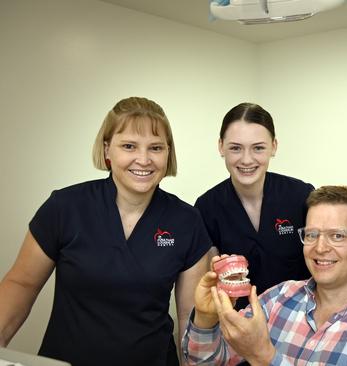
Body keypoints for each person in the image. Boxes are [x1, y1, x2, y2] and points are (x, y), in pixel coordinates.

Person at [0, 97, 212, 366]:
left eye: (156, 148)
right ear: (107, 149)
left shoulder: (186, 220)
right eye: (129, 146)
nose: (144, 159)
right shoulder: (65, 208)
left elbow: (189, 319)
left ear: (168, 153)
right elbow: (21, 284)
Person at [183, 186, 347, 365]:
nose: (320, 247)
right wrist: (205, 319)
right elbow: (206, 361)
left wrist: (263, 355)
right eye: (312, 234)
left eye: (337, 236)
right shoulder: (279, 298)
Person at [194, 102, 313, 309]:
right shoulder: (207, 207)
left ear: (273, 146)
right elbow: (212, 278)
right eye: (235, 148)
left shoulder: (300, 196)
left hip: (299, 323)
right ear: (221, 146)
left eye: (258, 148)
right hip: (239, 323)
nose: (247, 160)